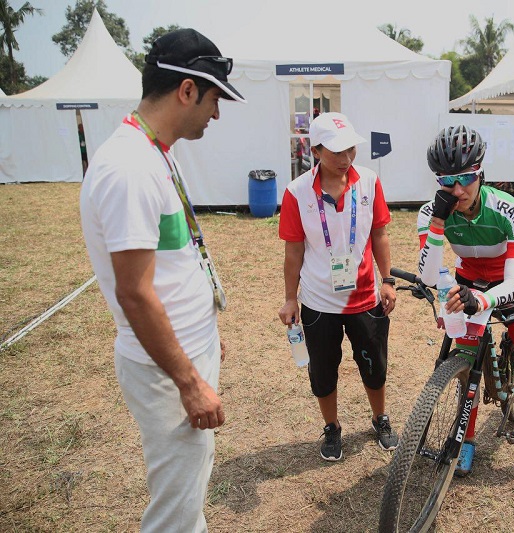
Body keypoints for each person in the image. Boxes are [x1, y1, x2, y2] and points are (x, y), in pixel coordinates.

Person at [79, 28, 245, 532]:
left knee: (187, 493)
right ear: (187, 90)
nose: (216, 114)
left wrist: (205, 339)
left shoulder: (154, 151)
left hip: (183, 355)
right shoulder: (130, 167)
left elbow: (172, 262)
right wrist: (190, 381)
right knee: (174, 512)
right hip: (167, 376)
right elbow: (133, 291)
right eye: (214, 99)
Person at [416, 125, 514, 493]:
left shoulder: (510, 210)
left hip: (509, 285)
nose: (457, 190)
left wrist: (483, 301)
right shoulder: (430, 212)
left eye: (466, 178)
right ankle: (467, 440)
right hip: (467, 281)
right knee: (466, 360)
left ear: (481, 170)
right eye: (447, 181)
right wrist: (439, 221)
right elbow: (428, 273)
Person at [278, 112, 399, 462]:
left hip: (365, 298)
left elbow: (379, 233)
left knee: (374, 365)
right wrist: (290, 298)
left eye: (350, 150)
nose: (346, 159)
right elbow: (294, 250)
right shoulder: (297, 192)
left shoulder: (370, 182)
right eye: (336, 152)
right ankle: (331, 426)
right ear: (315, 150)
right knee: (323, 370)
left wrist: (387, 280)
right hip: (318, 302)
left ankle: (380, 417)